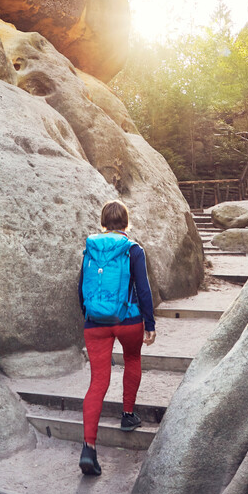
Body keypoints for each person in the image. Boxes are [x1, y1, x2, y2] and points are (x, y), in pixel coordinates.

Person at [76, 199, 155, 476]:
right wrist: (150, 322)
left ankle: (88, 448)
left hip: (95, 322)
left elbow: (80, 287)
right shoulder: (132, 249)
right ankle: (127, 416)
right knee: (132, 358)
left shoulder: (91, 248)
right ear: (125, 222)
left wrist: (89, 315)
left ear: (103, 222)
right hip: (129, 320)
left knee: (97, 382)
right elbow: (143, 288)